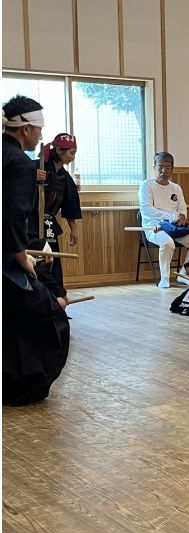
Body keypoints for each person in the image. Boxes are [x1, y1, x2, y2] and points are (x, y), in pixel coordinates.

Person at [2, 94, 70, 406]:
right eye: (39, 130)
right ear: (26, 129)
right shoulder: (18, 163)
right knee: (47, 315)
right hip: (6, 257)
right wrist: (21, 256)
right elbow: (13, 214)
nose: (41, 136)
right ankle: (22, 387)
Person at [138, 152, 189, 288]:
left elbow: (183, 208)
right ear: (154, 167)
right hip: (154, 227)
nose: (163, 170)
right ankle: (165, 278)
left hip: (175, 228)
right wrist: (173, 216)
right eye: (160, 166)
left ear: (172, 169)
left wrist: (183, 216)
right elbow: (147, 210)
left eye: (167, 167)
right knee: (167, 243)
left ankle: (184, 274)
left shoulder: (176, 188)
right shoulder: (146, 185)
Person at [29, 133, 82, 288]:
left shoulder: (65, 178)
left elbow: (70, 204)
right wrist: (32, 175)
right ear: (59, 150)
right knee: (35, 259)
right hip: (30, 222)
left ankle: (55, 294)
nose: (73, 157)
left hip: (49, 223)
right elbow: (13, 181)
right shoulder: (36, 167)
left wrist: (73, 229)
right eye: (71, 153)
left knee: (52, 259)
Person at [28, 238, 68, 310]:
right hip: (32, 305)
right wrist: (65, 299)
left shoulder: (24, 265)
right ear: (46, 256)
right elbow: (55, 289)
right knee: (61, 302)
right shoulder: (41, 271)